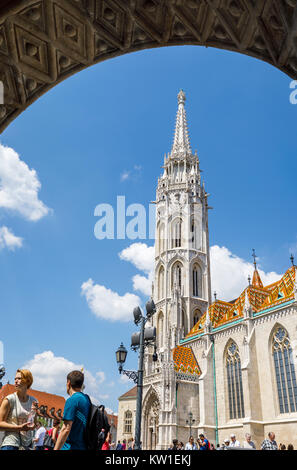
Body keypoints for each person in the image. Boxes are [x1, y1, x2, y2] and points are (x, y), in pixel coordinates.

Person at [0, 369, 38, 450]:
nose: (16, 381)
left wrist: (33, 424)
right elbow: (0, 424)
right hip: (10, 444)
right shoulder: (9, 399)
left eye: (19, 378)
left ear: (28, 381)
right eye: (15, 379)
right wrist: (19, 427)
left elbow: (34, 423)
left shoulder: (33, 401)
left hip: (27, 445)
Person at [54, 370, 91, 450]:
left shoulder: (72, 400)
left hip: (70, 447)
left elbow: (66, 429)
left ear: (68, 383)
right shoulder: (86, 399)